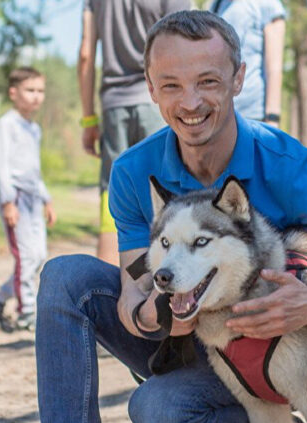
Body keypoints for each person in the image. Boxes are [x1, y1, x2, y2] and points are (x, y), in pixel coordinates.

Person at [36, 11, 307, 423]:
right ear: (150, 87)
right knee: (65, 278)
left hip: (280, 350)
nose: (189, 103)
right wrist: (153, 317)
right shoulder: (133, 172)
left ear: (238, 78)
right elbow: (136, 288)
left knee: (157, 411)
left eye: (207, 81)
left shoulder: (291, 166)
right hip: (192, 345)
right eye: (171, 85)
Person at [78, 0, 190, 266]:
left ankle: (108, 290)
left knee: (112, 194)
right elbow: (184, 46)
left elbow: (85, 55)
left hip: (113, 107)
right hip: (159, 101)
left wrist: (88, 118)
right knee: (168, 197)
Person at [0, 67, 57, 332]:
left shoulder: (33, 128)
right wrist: (7, 201)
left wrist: (47, 199)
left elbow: (34, 170)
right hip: (15, 199)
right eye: (30, 90)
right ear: (14, 93)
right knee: (25, 257)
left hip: (34, 199)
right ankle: (27, 311)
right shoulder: (7, 125)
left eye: (40, 91)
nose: (36, 97)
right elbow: (2, 166)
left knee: (38, 256)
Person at [211, 0, 285, 128]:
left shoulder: (269, 5)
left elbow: (274, 68)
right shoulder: (217, 4)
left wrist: (272, 118)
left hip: (252, 116)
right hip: (218, 114)